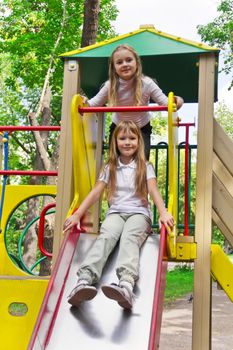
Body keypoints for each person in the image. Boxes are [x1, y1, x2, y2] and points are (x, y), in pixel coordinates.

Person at [63, 120, 174, 309]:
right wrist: (77, 214)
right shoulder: (109, 167)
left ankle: (126, 285)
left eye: (132, 138)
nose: (127, 142)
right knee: (107, 236)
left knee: (129, 238)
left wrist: (163, 212)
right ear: (116, 142)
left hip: (139, 215)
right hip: (116, 213)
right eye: (122, 138)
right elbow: (96, 192)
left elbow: (153, 190)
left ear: (139, 142)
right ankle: (83, 281)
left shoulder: (145, 166)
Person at [84, 44, 183, 160]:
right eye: (119, 62)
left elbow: (166, 103)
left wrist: (178, 101)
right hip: (118, 128)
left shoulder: (147, 83)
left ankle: (141, 177)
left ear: (137, 63)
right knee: (114, 161)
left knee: (142, 161)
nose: (125, 64)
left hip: (141, 128)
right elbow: (93, 104)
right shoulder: (110, 85)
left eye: (129, 60)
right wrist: (83, 103)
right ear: (114, 67)